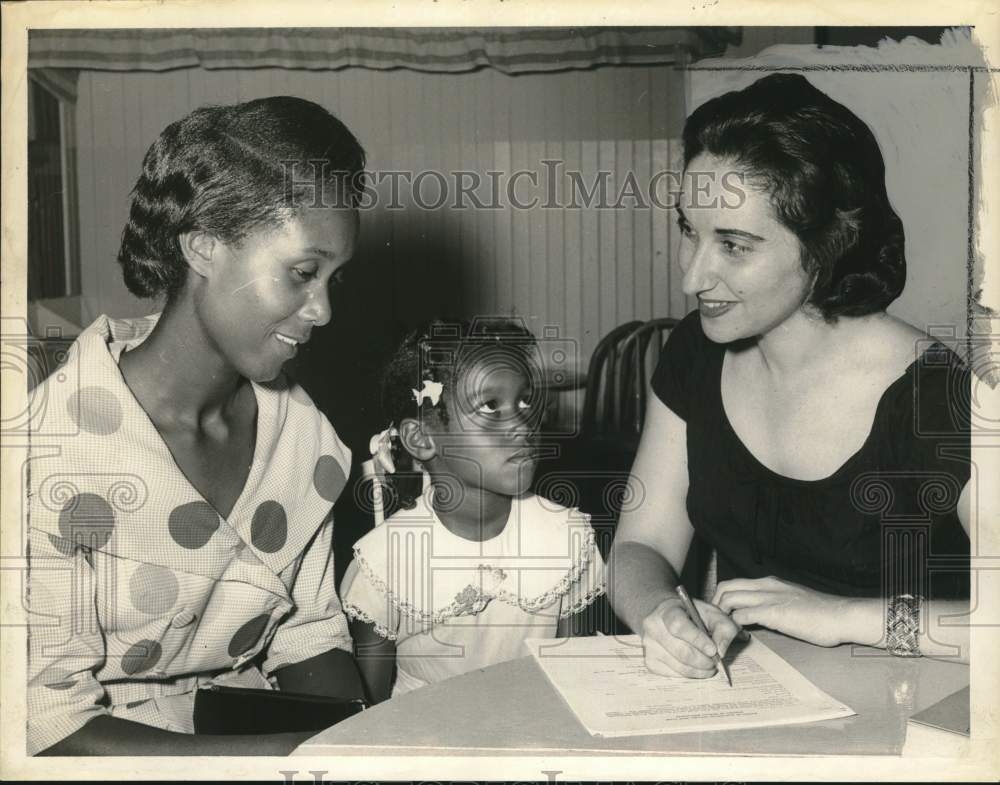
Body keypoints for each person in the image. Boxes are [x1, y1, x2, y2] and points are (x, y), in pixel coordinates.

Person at [27, 96, 368, 755]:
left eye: (334, 278)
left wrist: (357, 741)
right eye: (302, 272)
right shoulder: (51, 453)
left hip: (249, 733)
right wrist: (279, 760)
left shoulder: (304, 439)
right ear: (205, 246)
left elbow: (308, 633)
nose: (323, 309)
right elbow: (45, 722)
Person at [608, 73, 973, 680]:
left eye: (734, 245)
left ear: (826, 245)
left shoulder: (942, 396)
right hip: (763, 702)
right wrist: (658, 613)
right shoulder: (694, 351)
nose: (692, 279)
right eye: (688, 232)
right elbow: (639, 545)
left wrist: (844, 617)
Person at [340, 319, 607, 703]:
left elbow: (576, 680)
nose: (522, 425)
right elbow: (369, 710)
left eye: (526, 401)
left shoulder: (567, 536)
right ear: (421, 438)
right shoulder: (386, 562)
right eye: (490, 407)